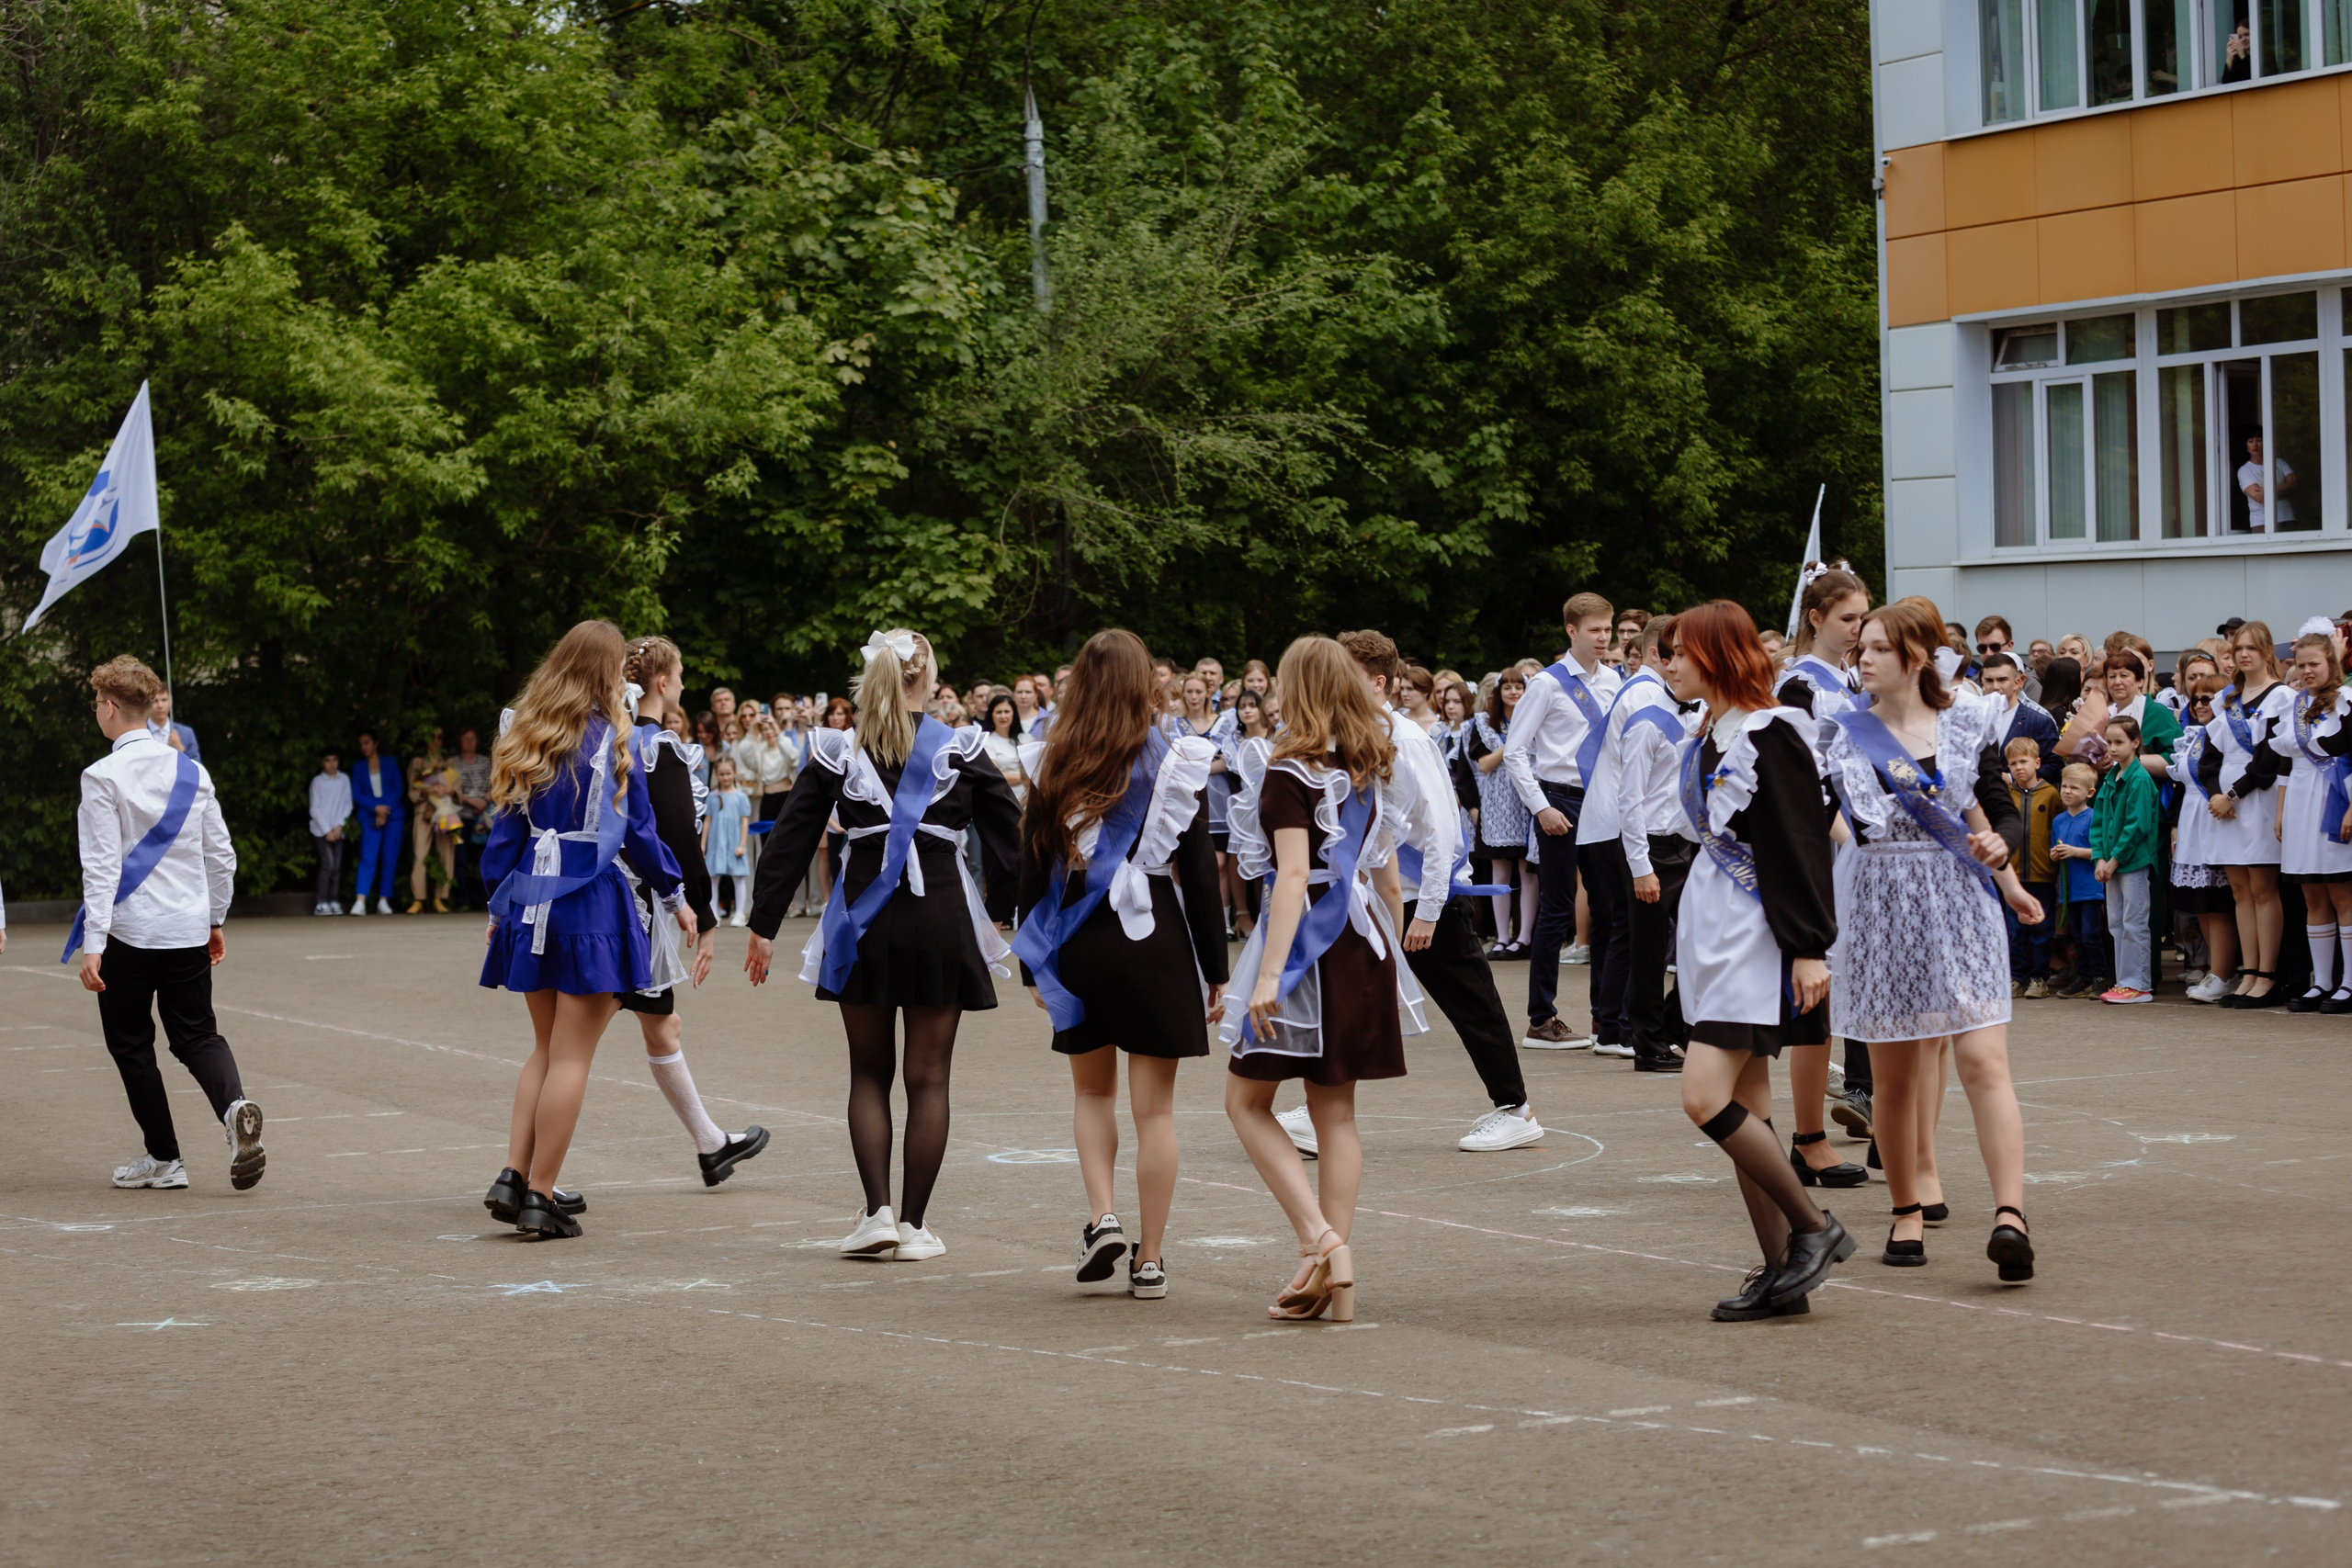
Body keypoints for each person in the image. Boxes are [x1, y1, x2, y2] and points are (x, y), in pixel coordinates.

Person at [743, 629, 1022, 1263]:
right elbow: (1011, 834)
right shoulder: (961, 748)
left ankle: (877, 1213)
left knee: (868, 1071)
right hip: (939, 916)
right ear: (926, 680)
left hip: (860, 920)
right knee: (929, 1078)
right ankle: (917, 1226)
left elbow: (791, 838)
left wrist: (763, 922)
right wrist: (1006, 909)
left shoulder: (837, 750)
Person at [1827, 599, 2041, 1285]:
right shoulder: (1845, 735)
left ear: (1916, 656)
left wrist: (2003, 864)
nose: (1864, 658)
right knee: (1892, 1079)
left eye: (1879, 648)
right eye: (1861, 647)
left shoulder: (1964, 722)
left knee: (1983, 1060)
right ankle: (1907, 1206)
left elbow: (1995, 811)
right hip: (1882, 906)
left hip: (1958, 903)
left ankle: (2011, 1215)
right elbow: (1835, 824)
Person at [1014, 630, 1227, 1300]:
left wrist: (1032, 965)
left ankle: (1104, 1214)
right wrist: (1214, 967)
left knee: (1091, 1092)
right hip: (1154, 936)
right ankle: (1152, 1258)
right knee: (1155, 1112)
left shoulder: (1053, 758)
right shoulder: (1175, 759)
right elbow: (1197, 872)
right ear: (1147, 683)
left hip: (1078, 939)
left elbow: (1033, 864)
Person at [1222, 636, 1428, 1324]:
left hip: (1306, 943)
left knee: (1245, 1102)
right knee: (1335, 1113)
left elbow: (1286, 877)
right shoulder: (1372, 760)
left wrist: (1268, 974)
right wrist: (1389, 951)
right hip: (1363, 939)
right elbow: (1390, 878)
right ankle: (1324, 1276)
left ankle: (1321, 1241)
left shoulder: (1287, 769)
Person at [1653, 604, 1849, 1320]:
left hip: (1755, 935)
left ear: (1715, 654)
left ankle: (1813, 1230)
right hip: (1713, 928)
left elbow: (1801, 845)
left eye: (1678, 651)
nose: (1668, 662)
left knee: (1703, 1096)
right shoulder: (1711, 730)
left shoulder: (1773, 732)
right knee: (1752, 1108)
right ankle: (1781, 1274)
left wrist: (1808, 947)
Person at [477, 621, 689, 1238]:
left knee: (544, 1048)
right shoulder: (614, 739)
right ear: (605, 673)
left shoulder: (529, 733)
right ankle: (542, 1194)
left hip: (529, 901)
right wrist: (676, 894)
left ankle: (514, 1174)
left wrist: (499, 909)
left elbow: (504, 837)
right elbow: (641, 831)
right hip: (590, 902)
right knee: (572, 1055)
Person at [579, 634, 770, 1190]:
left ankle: (711, 1144)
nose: (684, 682)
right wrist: (703, 917)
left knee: (661, 1024)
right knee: (572, 1045)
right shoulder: (657, 745)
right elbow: (679, 843)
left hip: (621, 900)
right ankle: (526, 1174)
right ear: (661, 683)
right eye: (681, 672)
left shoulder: (615, 739)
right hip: (633, 910)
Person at [69, 655, 264, 1194]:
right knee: (198, 1034)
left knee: (132, 1045)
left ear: (109, 708)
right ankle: (234, 1106)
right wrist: (214, 920)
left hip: (129, 934)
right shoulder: (192, 770)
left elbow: (103, 867)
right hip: (185, 929)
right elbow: (221, 858)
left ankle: (165, 1158)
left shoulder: (100, 776)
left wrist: (93, 944)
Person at [1774, 566, 1872, 1186]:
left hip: (1865, 844)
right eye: (1848, 618)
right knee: (1820, 994)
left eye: (1864, 616)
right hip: (1831, 850)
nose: (1858, 627)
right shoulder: (1799, 685)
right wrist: (1854, 840)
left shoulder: (1858, 676)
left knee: (1864, 987)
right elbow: (1806, 781)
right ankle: (1807, 1135)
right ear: (1815, 618)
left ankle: (1884, 1122)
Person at [1505, 592, 1624, 1048]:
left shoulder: (1615, 681)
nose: (1603, 637)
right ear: (1571, 631)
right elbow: (1516, 751)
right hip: (1559, 800)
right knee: (1556, 911)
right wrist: (1541, 807)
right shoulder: (1547, 684)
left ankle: (1605, 1018)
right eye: (1594, 630)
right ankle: (1541, 1018)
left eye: (1607, 629)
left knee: (1608, 910)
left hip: (1601, 802)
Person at [1617, 616, 1702, 1075]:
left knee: (1698, 943)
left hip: (1689, 846)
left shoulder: (1702, 712)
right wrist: (1640, 866)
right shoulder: (1646, 722)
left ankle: (1673, 1025)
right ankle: (1647, 1044)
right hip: (1650, 846)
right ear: (1663, 664)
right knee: (1649, 953)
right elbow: (1628, 800)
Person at [2201, 622, 2293, 1008]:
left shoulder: (2282, 697)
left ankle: (2267, 975)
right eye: (2238, 648)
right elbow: (2209, 758)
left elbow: (2270, 760)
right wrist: (2216, 796)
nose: (2243, 655)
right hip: (2229, 809)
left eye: (2252, 648)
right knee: (2240, 891)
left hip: (2257, 801)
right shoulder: (2229, 699)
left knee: (2261, 888)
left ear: (2267, 651)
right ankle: (2249, 971)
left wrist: (2233, 794)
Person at [2274, 629, 2352, 1011]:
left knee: (2341, 893)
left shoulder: (2347, 701)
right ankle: (2321, 982)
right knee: (2311, 893)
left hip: (2336, 796)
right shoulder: (2294, 705)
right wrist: (2281, 812)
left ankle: (2349, 983)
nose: (2306, 671)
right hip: (2301, 800)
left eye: (2314, 664)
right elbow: (2286, 764)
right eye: (2301, 665)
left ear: (2330, 663)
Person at [2173, 675, 2240, 1004]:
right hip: (2191, 822)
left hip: (2215, 818)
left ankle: (2224, 972)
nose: (2200, 705)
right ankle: (2217, 971)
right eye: (2195, 698)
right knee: (2200, 904)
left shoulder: (2226, 735)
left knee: (2218, 904)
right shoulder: (2193, 735)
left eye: (2207, 698)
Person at [1464, 671, 1535, 957]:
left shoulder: (1536, 719)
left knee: (1527, 869)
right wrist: (1513, 744)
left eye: (1519, 686)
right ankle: (1503, 937)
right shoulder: (1482, 724)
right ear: (1499, 692)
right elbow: (1483, 765)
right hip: (1497, 805)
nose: (1514, 692)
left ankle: (1525, 936)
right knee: (1500, 869)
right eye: (1508, 687)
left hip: (1528, 800)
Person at [2091, 716, 2160, 1003]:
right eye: (2109, 742)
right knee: (2116, 922)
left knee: (2134, 922)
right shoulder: (2111, 778)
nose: (2113, 748)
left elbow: (2137, 825)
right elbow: (2097, 822)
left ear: (2135, 742)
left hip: (2130, 862)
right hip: (2111, 862)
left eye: (2119, 742)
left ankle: (2138, 984)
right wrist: (2098, 858)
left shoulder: (2139, 779)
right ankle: (2123, 981)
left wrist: (2114, 859)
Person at [2004, 738, 2061, 997]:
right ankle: (2018, 976)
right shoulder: (2007, 795)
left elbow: (2057, 829)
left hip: (2042, 875)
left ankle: (2039, 977)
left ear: (2037, 762)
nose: (2019, 767)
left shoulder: (2050, 794)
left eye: (2024, 761)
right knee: (2016, 930)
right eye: (2013, 763)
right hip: (2013, 875)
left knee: (2041, 929)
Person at [2051, 761, 2110, 998]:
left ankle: (2100, 976)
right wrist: (2055, 854)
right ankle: (2082, 977)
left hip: (2091, 888)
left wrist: (2075, 851)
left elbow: (2100, 850)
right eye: (2064, 786)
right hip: (2069, 889)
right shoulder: (2058, 821)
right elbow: (2054, 850)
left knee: (2091, 934)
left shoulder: (2094, 817)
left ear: (2090, 792)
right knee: (2077, 936)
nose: (2067, 791)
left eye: (2074, 788)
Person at [1980, 653, 2062, 783]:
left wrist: (2013, 778)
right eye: (1989, 680)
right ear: (1982, 682)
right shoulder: (1971, 718)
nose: (1995, 686)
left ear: (2017, 682)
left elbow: (2055, 766)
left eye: (2002, 680)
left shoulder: (2038, 721)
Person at [349, 729, 402, 915]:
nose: (364, 747)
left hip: (393, 817)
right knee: (368, 857)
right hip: (369, 816)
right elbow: (356, 794)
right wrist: (376, 809)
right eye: (361, 743)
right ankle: (360, 900)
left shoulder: (390, 762)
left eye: (367, 742)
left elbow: (397, 789)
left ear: (375, 743)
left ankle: (383, 900)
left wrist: (384, 809)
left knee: (390, 858)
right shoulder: (357, 767)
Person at [406, 728, 459, 913]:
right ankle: (418, 899)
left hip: (445, 811)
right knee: (420, 855)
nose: (436, 740)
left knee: (446, 854)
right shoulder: (418, 762)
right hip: (423, 811)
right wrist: (427, 790)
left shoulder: (449, 762)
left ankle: (440, 898)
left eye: (440, 737)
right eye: (432, 737)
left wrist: (449, 791)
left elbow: (458, 788)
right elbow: (412, 791)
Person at [704, 757, 753, 924]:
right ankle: (713, 913)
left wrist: (742, 844)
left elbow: (744, 821)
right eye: (721, 774)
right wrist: (702, 844)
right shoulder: (712, 796)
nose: (725, 778)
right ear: (716, 775)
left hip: (734, 841)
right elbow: (708, 820)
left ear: (735, 774)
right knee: (713, 877)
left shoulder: (741, 797)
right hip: (716, 841)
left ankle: (739, 913)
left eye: (728, 774)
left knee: (738, 877)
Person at [310, 750, 352, 916]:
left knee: (337, 866)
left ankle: (333, 900)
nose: (332, 763)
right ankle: (321, 902)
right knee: (328, 864)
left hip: (338, 830)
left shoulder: (344, 780)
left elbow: (348, 804)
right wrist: (327, 830)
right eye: (328, 760)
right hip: (321, 831)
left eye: (335, 760)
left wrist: (339, 826)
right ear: (322, 762)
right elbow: (314, 808)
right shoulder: (317, 782)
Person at [2239, 428, 2295, 532]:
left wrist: (2268, 492)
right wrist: (2283, 490)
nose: (2255, 444)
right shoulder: (2245, 470)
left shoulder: (2280, 463)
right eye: (2250, 441)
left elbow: (2293, 485)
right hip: (2262, 523)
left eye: (2259, 440)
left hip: (2287, 518)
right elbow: (2259, 497)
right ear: (2246, 446)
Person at [1974, 616, 2041, 704]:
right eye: (1982, 648)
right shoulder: (1975, 681)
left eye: (1995, 647)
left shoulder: (2030, 684)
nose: (1988, 653)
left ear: (2010, 645)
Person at [147, 689, 199, 761]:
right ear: (148, 703)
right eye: (155, 701)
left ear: (170, 701)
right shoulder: (139, 732)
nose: (160, 705)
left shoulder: (187, 733)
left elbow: (198, 768)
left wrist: (181, 749)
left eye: (164, 700)